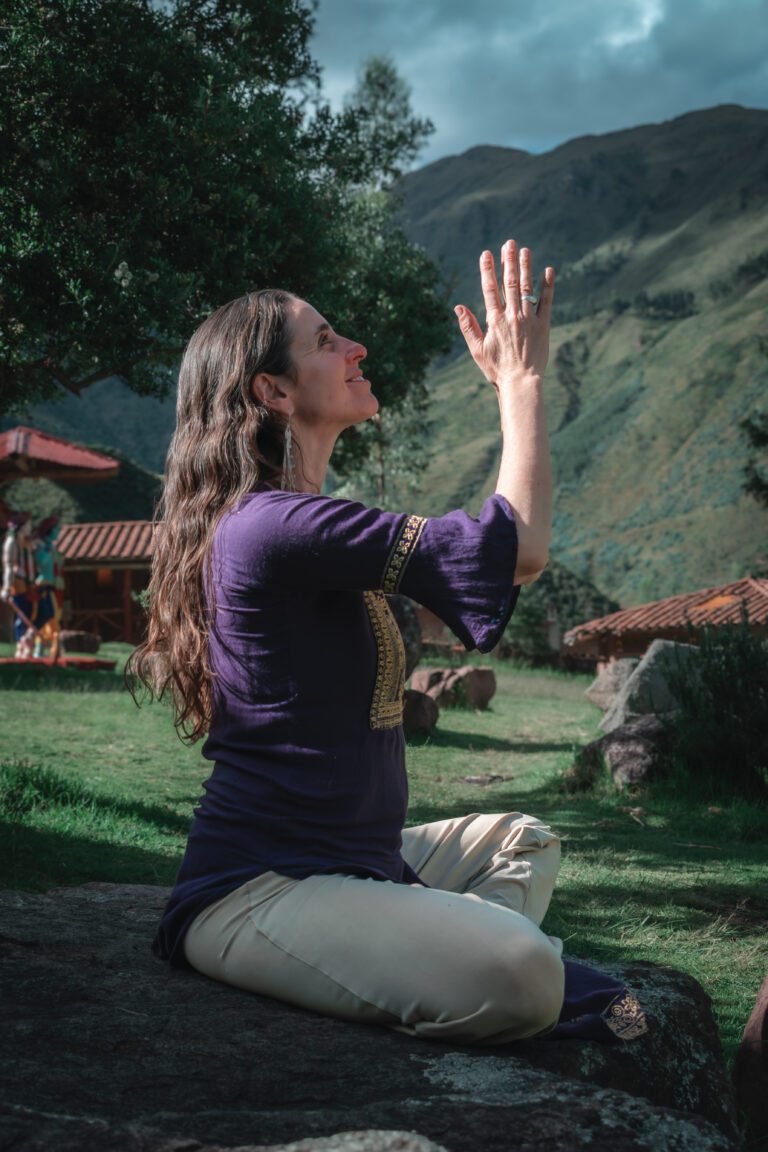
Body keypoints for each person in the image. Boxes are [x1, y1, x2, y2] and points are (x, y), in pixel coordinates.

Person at [130, 240, 646, 1045]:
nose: (356, 347)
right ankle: (458, 958)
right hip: (258, 888)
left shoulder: (290, 519)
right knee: (523, 972)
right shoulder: (270, 526)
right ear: (272, 390)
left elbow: (501, 559)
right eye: (325, 340)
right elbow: (520, 550)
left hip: (361, 858)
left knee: (524, 839)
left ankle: (421, 945)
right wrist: (521, 382)